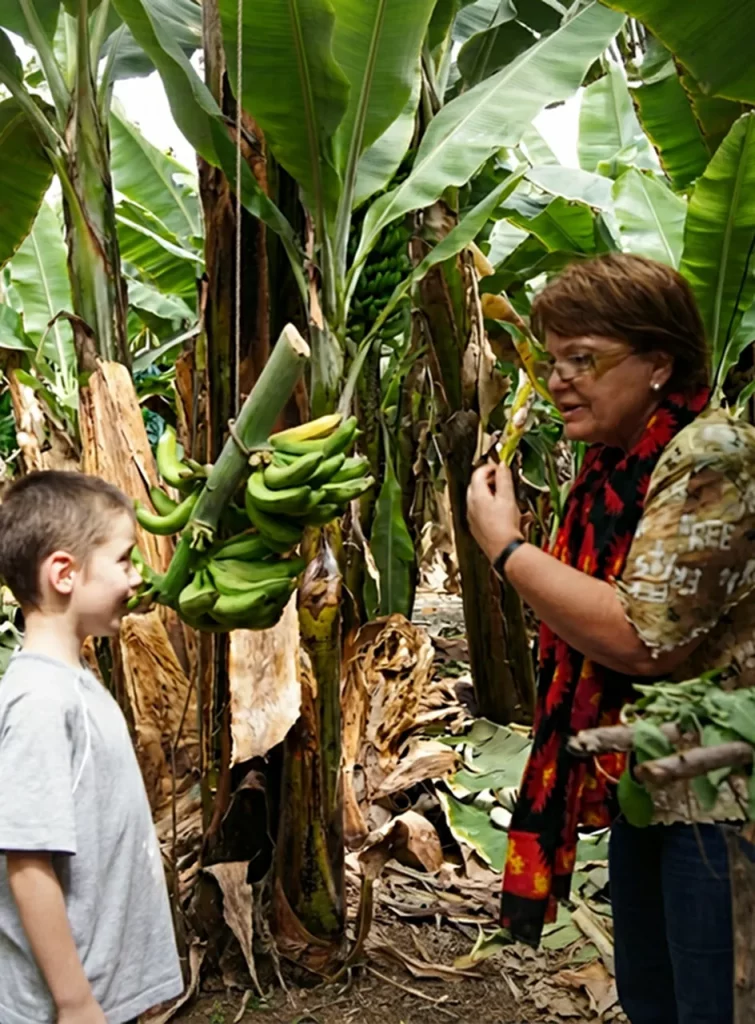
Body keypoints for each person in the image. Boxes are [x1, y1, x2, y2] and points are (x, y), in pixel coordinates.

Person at [467, 253, 755, 1024]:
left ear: (658, 364)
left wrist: (505, 549)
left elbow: (640, 637)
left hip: (721, 800)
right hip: (649, 779)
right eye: (553, 359)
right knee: (653, 998)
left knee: (710, 1007)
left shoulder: (708, 456)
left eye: (583, 359)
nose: (558, 379)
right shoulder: (613, 466)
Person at [0, 472, 183, 1024]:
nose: (136, 578)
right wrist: (75, 1000)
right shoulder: (39, 702)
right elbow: (28, 863)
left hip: (98, 992)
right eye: (125, 560)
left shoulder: (75, 682)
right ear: (64, 573)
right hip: (62, 1007)